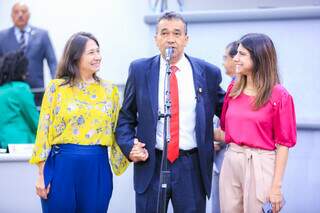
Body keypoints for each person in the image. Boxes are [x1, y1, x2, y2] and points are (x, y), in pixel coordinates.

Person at [116, 11, 225, 213]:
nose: (171, 39)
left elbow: (228, 111)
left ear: (186, 39)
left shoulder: (207, 72)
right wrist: (129, 146)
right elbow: (126, 118)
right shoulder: (140, 70)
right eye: (164, 33)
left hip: (191, 166)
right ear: (156, 38)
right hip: (152, 163)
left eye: (177, 33)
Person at [29, 32, 129, 213]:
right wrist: (41, 175)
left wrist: (133, 148)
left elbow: (119, 130)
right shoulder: (56, 88)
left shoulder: (110, 91)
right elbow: (43, 132)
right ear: (75, 56)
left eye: (98, 51)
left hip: (97, 167)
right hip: (62, 167)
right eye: (91, 52)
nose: (97, 57)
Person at [215, 33, 297, 213]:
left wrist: (276, 187)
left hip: (261, 163)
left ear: (259, 58)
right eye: (236, 53)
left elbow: (284, 145)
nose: (235, 58)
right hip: (231, 160)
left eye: (242, 54)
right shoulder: (233, 90)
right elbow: (224, 132)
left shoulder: (279, 96)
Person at [0, 2, 57, 106]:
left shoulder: (42, 35)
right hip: (10, 92)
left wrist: (57, 85)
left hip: (37, 91)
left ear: (29, 14)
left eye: (24, 11)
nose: (20, 15)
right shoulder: (2, 37)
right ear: (12, 16)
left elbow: (52, 62)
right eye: (16, 12)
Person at [211, 41, 238, 213]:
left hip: (228, 161)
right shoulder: (231, 86)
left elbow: (231, 126)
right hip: (222, 159)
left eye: (225, 57)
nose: (223, 62)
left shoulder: (238, 89)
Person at [0, 51, 39, 150]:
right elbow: (35, 121)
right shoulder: (21, 89)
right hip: (23, 145)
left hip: (4, 145)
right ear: (20, 70)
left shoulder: (2, 91)